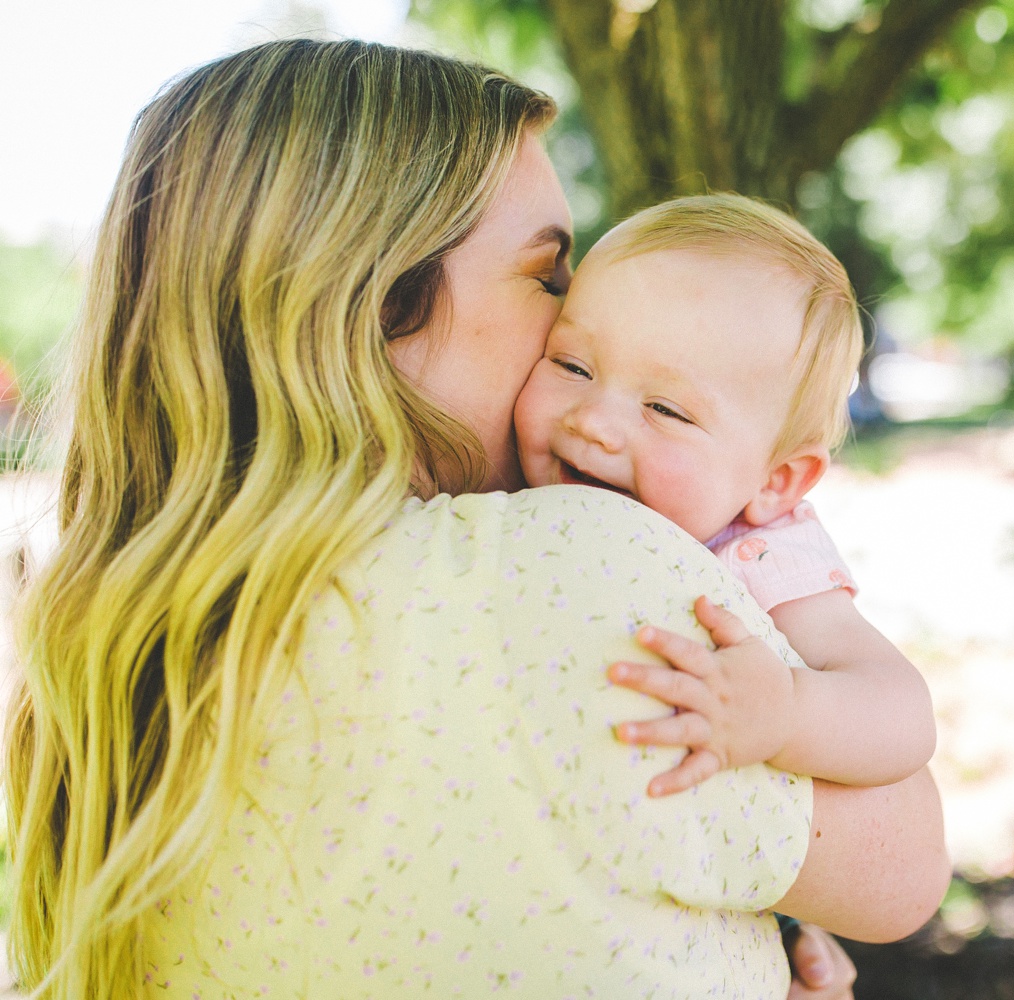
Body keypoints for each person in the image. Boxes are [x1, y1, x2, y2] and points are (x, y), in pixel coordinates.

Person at [2, 39, 946, 1000]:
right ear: (383, 309)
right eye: (550, 278)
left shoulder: (102, 646)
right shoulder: (571, 568)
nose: (586, 324)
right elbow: (904, 866)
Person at [513, 194, 937, 797]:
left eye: (664, 409)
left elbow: (903, 716)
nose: (592, 422)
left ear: (774, 483)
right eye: (572, 366)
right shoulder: (508, 491)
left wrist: (785, 714)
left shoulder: (757, 553)